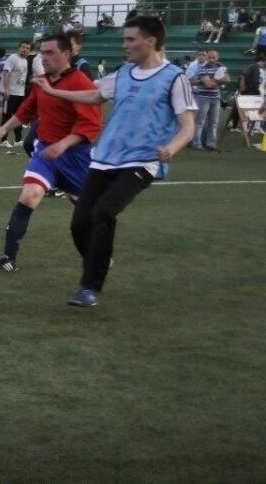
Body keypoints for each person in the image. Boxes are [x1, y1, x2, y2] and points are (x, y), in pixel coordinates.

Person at [32, 15, 195, 307]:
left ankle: (89, 288)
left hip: (141, 162)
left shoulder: (174, 77)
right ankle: (100, 258)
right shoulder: (124, 73)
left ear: (151, 42)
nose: (125, 45)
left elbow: (188, 127)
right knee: (79, 224)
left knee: (104, 211)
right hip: (104, 159)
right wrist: (54, 91)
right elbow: (95, 95)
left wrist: (172, 148)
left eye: (131, 39)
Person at [0, 34, 102, 272]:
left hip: (77, 157)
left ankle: (99, 252)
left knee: (86, 210)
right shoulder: (41, 82)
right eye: (42, 52)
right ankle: (8, 258)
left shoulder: (81, 83)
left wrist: (64, 144)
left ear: (67, 54)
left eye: (50, 52)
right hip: (46, 152)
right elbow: (27, 110)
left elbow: (91, 126)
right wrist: (4, 128)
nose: (44, 57)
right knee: (29, 196)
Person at [190, 48, 228, 151]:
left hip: (215, 98)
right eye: (209, 57)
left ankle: (211, 144)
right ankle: (196, 144)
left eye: (213, 57)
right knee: (199, 122)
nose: (211, 59)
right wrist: (218, 80)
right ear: (207, 58)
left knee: (213, 122)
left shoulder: (221, 67)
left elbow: (227, 79)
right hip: (203, 98)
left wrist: (211, 80)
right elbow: (209, 85)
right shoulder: (201, 68)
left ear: (217, 58)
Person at [0, 40, 32, 148]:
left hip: (20, 93)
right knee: (7, 116)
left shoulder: (25, 60)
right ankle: (3, 140)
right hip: (11, 93)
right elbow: (6, 72)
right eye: (23, 47)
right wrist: (6, 89)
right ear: (19, 47)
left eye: (27, 48)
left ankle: (18, 140)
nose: (25, 49)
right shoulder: (12, 58)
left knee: (19, 117)